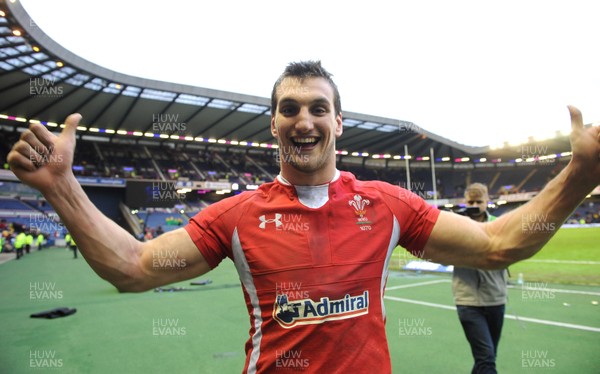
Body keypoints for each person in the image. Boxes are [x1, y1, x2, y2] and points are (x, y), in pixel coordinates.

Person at [6, 61, 600, 373]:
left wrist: (581, 173)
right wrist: (63, 186)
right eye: (289, 109)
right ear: (273, 124)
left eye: (320, 108)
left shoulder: (388, 205)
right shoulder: (236, 216)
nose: (305, 119)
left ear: (339, 122)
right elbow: (131, 266)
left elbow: (498, 245)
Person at [452, 183, 507, 374]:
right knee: (486, 358)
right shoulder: (454, 225)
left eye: (479, 201)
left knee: (488, 357)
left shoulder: (500, 225)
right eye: (470, 201)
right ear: (464, 202)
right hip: (467, 300)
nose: (474, 205)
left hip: (496, 298)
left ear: (487, 201)